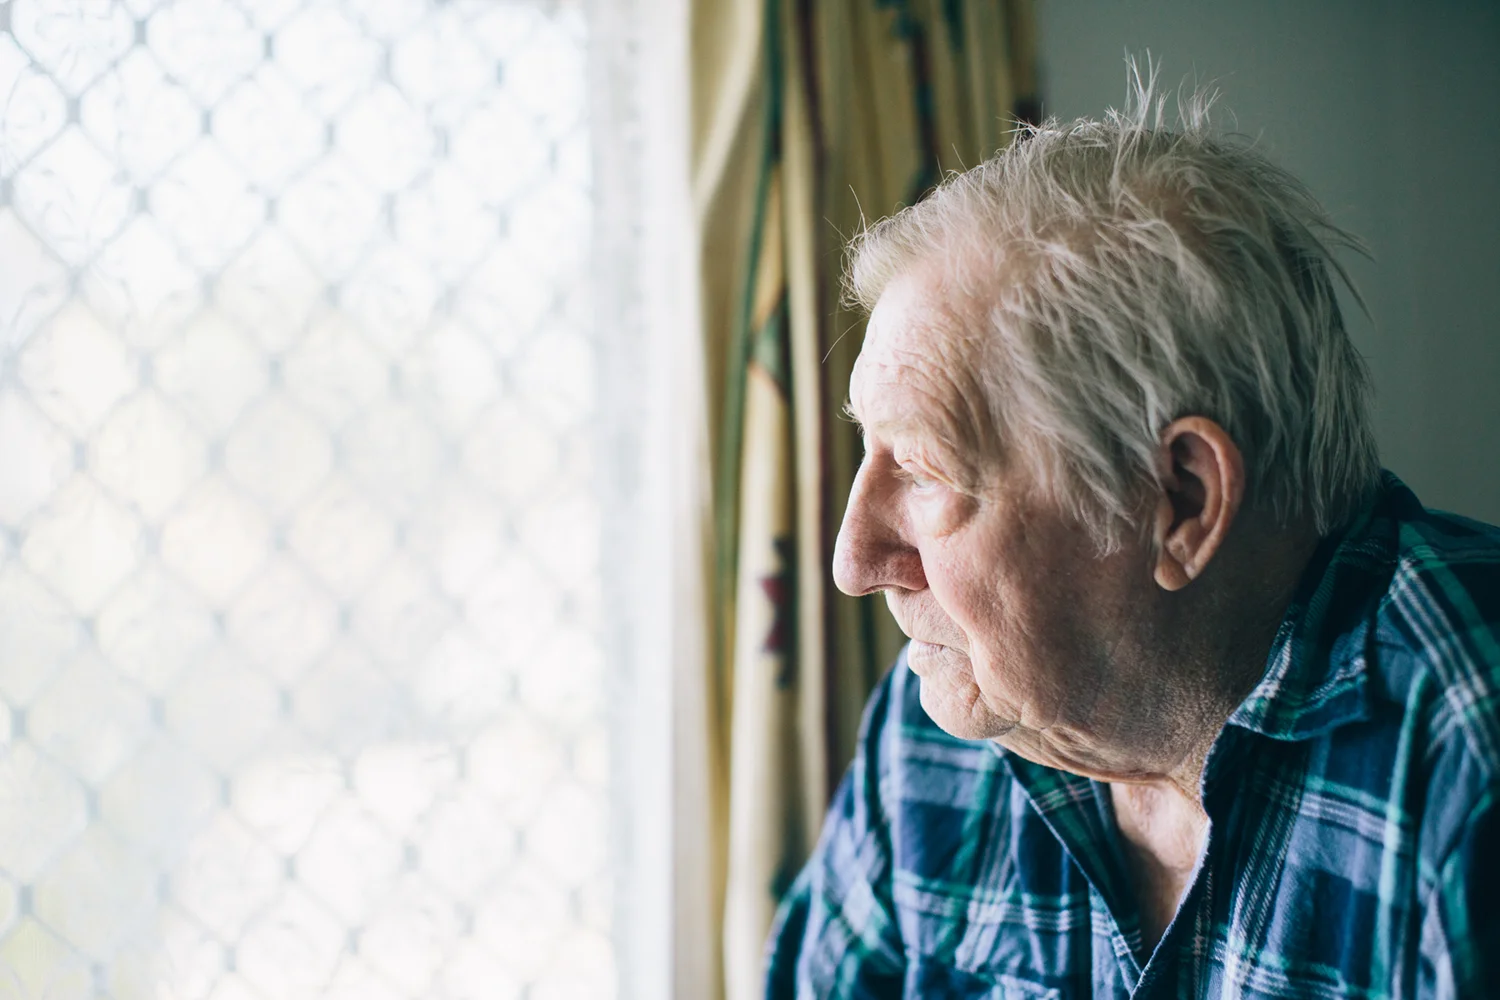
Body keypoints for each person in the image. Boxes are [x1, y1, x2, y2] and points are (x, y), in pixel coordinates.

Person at [763, 73, 1500, 999]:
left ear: (1182, 502)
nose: (852, 562)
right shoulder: (935, 737)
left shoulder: (1467, 757)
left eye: (926, 469)